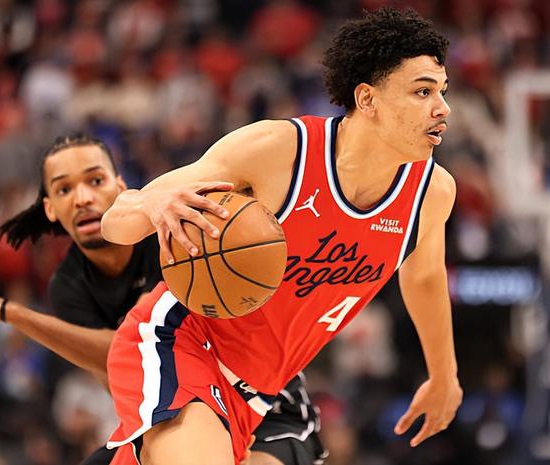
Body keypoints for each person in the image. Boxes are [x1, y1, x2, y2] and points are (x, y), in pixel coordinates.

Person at [97, 7, 463, 465]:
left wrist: (444, 374)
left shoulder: (432, 192)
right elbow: (115, 223)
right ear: (367, 99)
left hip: (263, 391)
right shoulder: (278, 152)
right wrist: (150, 204)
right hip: (183, 342)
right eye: (423, 91)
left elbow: (424, 277)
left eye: (443, 91)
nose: (442, 108)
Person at [0, 136, 326, 465]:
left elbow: (133, 352)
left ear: (122, 188)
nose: (82, 197)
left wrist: (11, 313)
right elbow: (123, 377)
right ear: (51, 209)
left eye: (95, 181)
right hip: (189, 409)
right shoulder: (68, 286)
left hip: (271, 409)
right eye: (64, 188)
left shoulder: (175, 239)